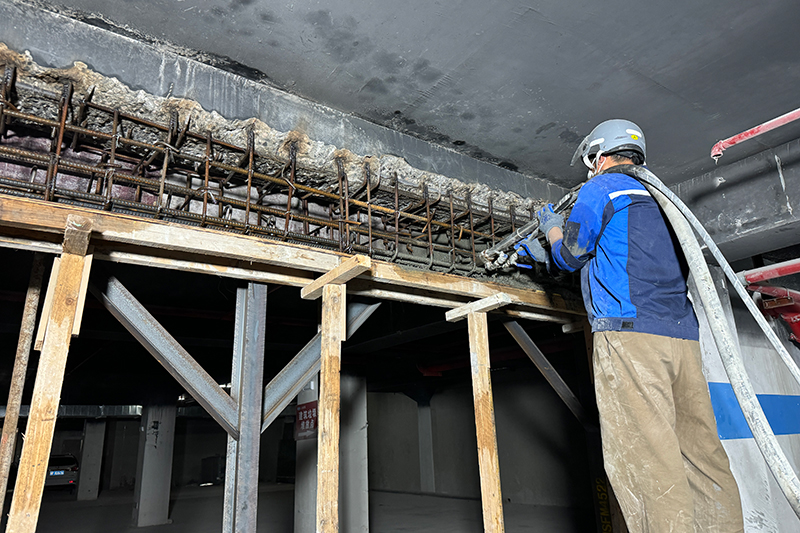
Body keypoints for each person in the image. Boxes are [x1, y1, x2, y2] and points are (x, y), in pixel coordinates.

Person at [516, 119, 744, 532]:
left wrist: (551, 230)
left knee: (646, 462)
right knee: (702, 456)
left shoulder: (601, 187)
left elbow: (570, 255)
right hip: (683, 339)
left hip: (630, 335)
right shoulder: (665, 199)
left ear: (600, 156)